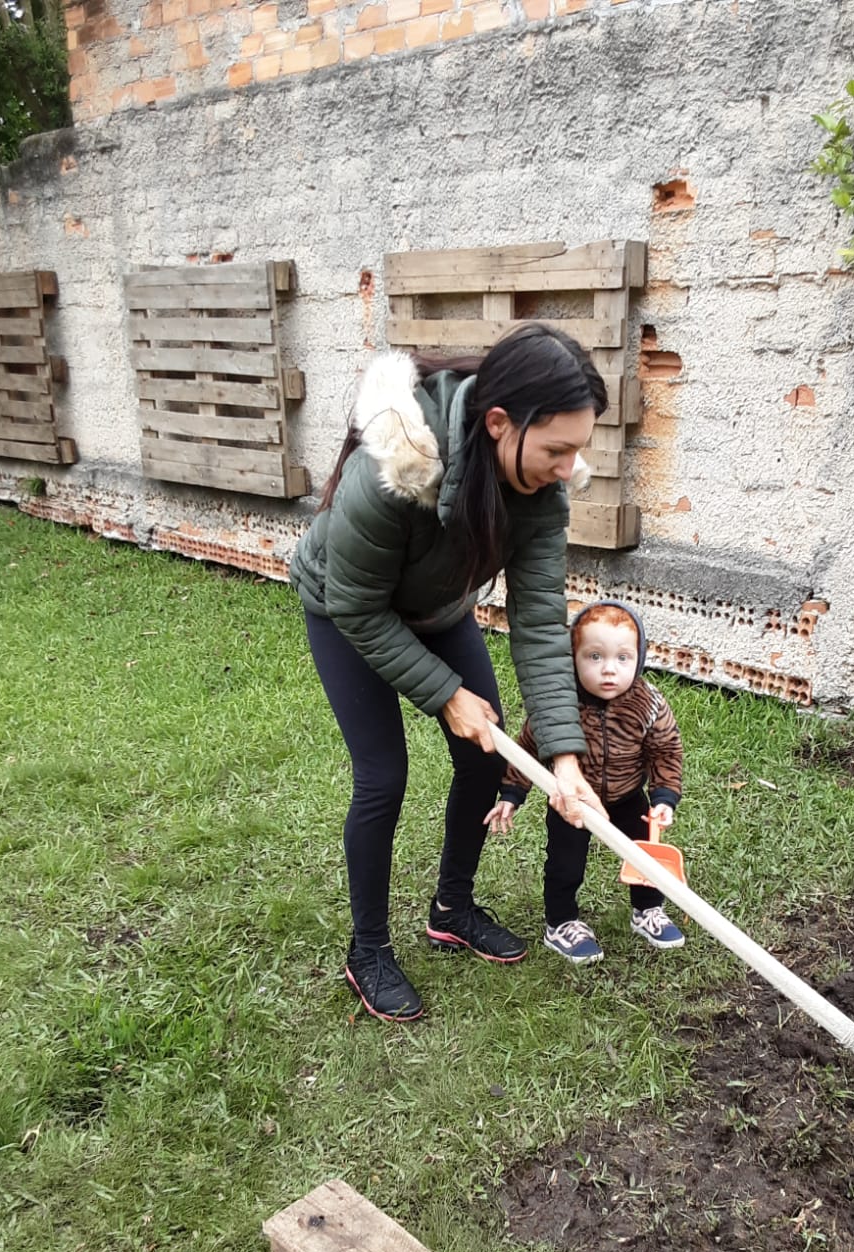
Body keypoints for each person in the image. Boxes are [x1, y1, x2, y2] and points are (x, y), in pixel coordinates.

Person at [288, 323, 608, 1021]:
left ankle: (451, 908)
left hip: (436, 608)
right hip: (349, 609)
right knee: (383, 776)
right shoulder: (396, 469)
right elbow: (356, 606)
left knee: (481, 757)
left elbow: (538, 621)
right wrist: (444, 693)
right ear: (499, 424)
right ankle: (368, 949)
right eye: (556, 449)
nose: (567, 467)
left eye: (577, 451)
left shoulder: (542, 491)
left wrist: (564, 754)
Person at [485, 600, 685, 964]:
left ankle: (648, 910)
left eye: (623, 658)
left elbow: (666, 751)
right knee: (565, 863)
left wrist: (664, 797)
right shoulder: (559, 704)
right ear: (572, 657)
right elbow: (527, 749)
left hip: (628, 797)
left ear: (639, 659)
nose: (609, 670)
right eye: (594, 657)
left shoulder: (649, 704)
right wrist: (512, 794)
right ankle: (561, 923)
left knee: (645, 857)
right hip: (571, 802)